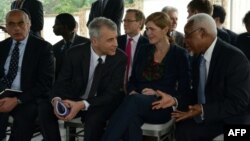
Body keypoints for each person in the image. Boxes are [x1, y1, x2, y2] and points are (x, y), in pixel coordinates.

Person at [155, 13, 250, 141]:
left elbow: (239, 103)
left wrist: (203, 109)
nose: (184, 40)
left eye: (188, 35)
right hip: (208, 118)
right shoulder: (197, 58)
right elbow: (195, 93)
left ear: (202, 33)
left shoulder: (234, 59)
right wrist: (174, 100)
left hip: (234, 124)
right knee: (182, 130)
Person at [101, 12, 191, 141]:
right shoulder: (143, 50)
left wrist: (158, 93)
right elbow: (133, 80)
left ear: (165, 29)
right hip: (137, 102)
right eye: (147, 29)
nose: (148, 33)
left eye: (152, 29)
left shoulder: (179, 54)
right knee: (131, 118)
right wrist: (132, 91)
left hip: (161, 106)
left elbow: (185, 90)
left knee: (132, 104)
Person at [51, 17, 127, 141]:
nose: (116, 44)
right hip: (75, 97)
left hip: (102, 101)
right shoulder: (74, 53)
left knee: (93, 119)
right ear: (95, 41)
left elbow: (111, 94)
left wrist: (81, 105)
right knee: (44, 108)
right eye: (110, 40)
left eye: (116, 38)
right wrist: (57, 101)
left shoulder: (120, 58)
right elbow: (61, 82)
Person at [0, 9, 54, 141]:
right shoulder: (2, 47)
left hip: (29, 96)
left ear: (29, 24)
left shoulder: (43, 48)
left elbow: (45, 84)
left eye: (21, 23)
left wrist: (17, 100)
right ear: (6, 27)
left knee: (24, 117)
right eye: (11, 24)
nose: (16, 28)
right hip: (3, 93)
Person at [52, 13, 89, 79]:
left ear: (65, 26)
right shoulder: (55, 47)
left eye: (57, 24)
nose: (53, 27)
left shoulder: (87, 44)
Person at [117, 9, 149, 86]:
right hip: (116, 87)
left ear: (140, 23)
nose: (125, 24)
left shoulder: (147, 44)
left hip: (137, 87)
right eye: (124, 21)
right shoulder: (116, 41)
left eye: (129, 21)